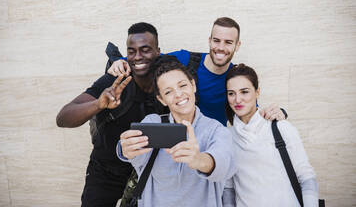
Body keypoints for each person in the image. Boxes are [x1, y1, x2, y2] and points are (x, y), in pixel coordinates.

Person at [56, 22, 166, 207]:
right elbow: (63, 117)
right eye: (131, 51)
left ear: (158, 52)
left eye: (145, 50)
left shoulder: (167, 81)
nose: (137, 57)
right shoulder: (114, 80)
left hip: (148, 175)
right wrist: (98, 104)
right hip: (105, 172)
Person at [108, 17, 286, 126]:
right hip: (177, 142)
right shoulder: (186, 60)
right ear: (209, 41)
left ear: (237, 45)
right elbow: (149, 59)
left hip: (212, 148)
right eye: (216, 40)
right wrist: (118, 60)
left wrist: (280, 113)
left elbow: (250, 113)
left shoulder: (235, 78)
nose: (221, 48)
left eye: (228, 42)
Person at [118, 55, 236, 207]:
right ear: (161, 99)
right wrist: (125, 148)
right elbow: (136, 156)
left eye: (182, 85)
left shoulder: (216, 130)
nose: (178, 94)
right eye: (168, 92)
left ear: (193, 85)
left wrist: (198, 159)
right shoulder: (152, 123)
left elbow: (224, 164)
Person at [222, 64, 318, 207]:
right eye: (231, 93)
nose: (237, 99)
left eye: (244, 92)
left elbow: (306, 177)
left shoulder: (280, 127)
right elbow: (228, 187)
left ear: (257, 92)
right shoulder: (227, 137)